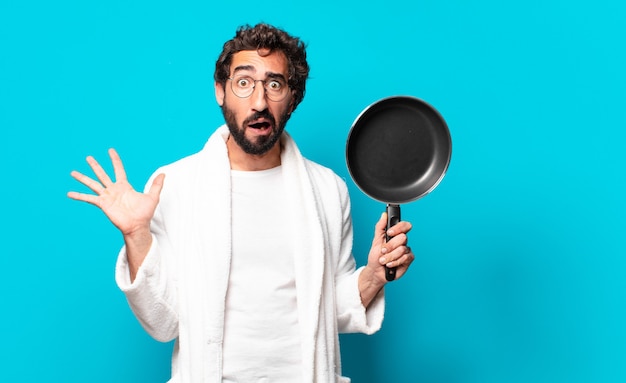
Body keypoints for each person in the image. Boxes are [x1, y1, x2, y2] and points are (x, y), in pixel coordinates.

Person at [68, 23, 414, 383]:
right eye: (244, 83)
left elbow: (330, 311)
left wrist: (374, 275)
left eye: (275, 84)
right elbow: (163, 322)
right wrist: (137, 234)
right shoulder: (175, 185)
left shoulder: (327, 189)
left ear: (293, 97)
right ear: (220, 91)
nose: (259, 102)